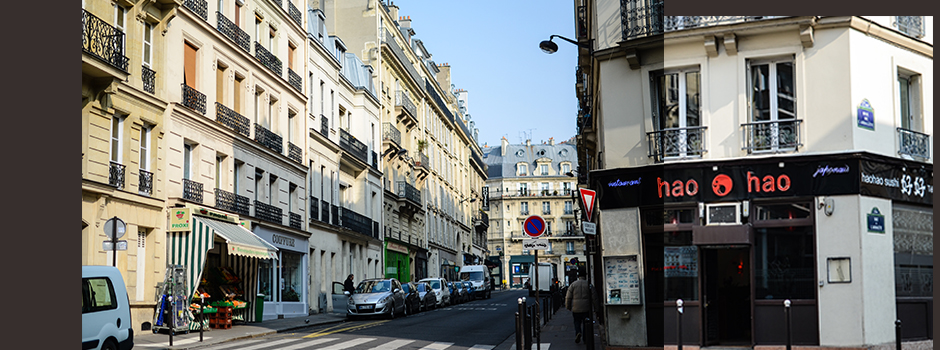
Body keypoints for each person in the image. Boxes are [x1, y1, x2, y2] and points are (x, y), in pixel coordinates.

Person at [565, 269, 591, 344]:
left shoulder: (573, 284)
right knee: (586, 323)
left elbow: (568, 297)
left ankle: (578, 332)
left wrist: (568, 306)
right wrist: (596, 308)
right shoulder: (588, 284)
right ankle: (585, 338)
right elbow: (594, 296)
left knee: (577, 322)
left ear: (578, 276)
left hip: (576, 308)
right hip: (586, 308)